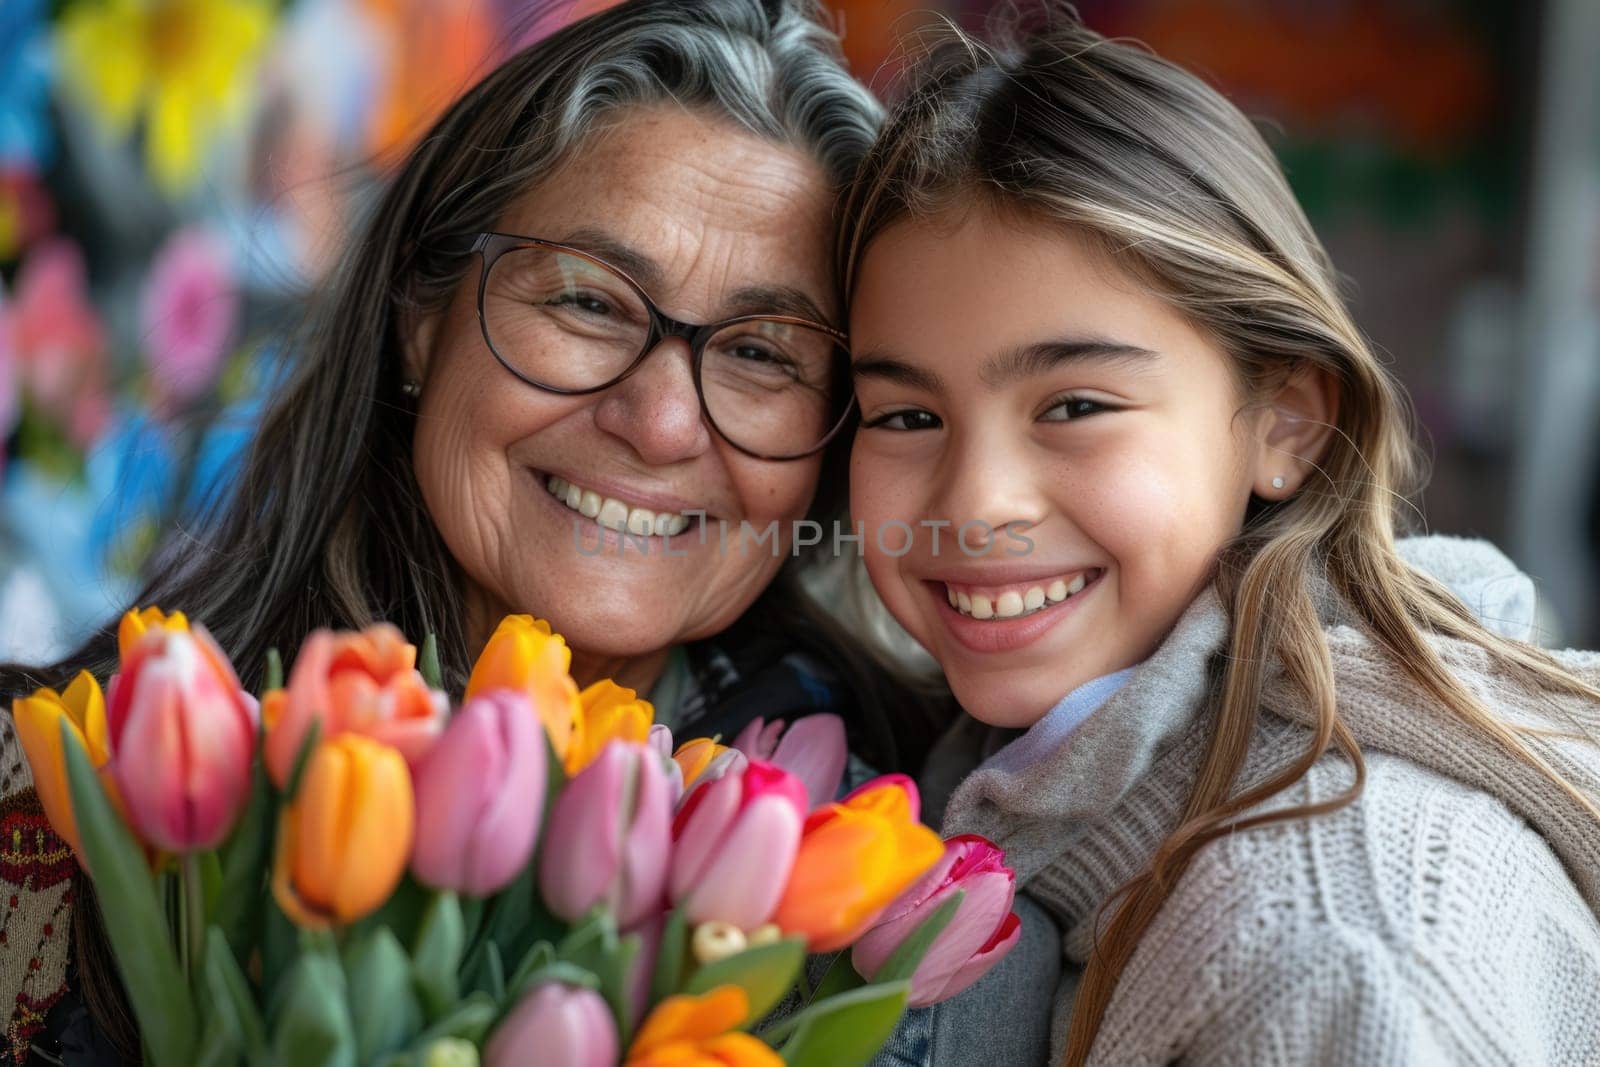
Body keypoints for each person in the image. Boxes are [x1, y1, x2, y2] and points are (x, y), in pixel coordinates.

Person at [0, 2, 950, 1060]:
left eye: (765, 353)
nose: (661, 420)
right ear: (422, 313)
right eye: (588, 301)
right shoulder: (48, 796)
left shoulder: (884, 893)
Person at [842, 8, 1600, 1064]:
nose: (976, 501)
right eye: (906, 416)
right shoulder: (992, 784)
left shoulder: (1334, 949)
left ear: (1283, 419)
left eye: (1074, 406)